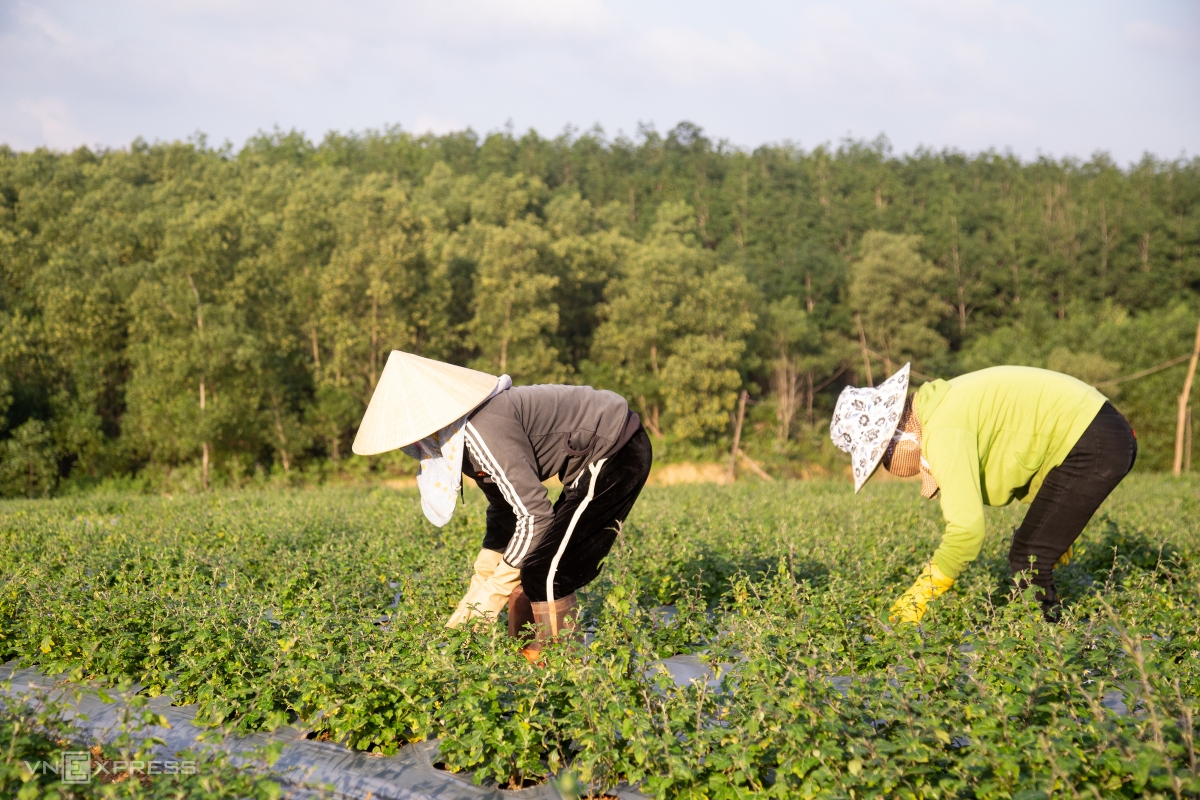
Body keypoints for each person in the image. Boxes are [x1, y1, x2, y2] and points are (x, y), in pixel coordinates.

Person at [353, 350, 651, 659]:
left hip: (617, 448)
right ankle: (521, 659)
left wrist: (493, 592)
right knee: (530, 565)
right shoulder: (457, 442)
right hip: (590, 460)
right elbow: (505, 508)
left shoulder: (482, 431)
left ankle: (559, 673)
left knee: (547, 570)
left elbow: (535, 515)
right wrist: (483, 573)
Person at [830, 363, 1137, 622]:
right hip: (1095, 434)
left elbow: (966, 532)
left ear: (898, 434)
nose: (888, 466)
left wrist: (919, 597)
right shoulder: (940, 408)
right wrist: (1058, 521)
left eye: (884, 458)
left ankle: (1048, 655)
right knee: (1032, 551)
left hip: (1094, 439)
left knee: (1029, 559)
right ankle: (1047, 647)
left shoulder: (943, 429)